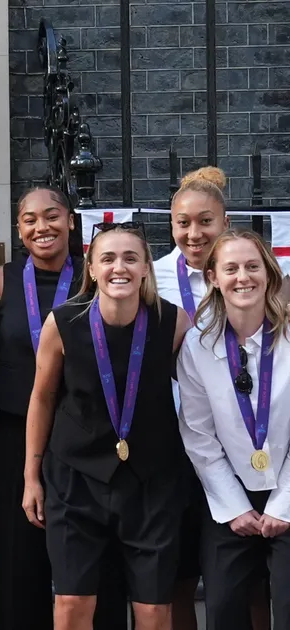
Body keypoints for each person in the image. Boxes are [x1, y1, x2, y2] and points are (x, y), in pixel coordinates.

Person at [24, 222, 191, 630]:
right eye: (109, 258)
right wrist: (31, 476)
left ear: (146, 268)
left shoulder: (174, 323)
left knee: (154, 608)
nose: (120, 267)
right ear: (93, 269)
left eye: (131, 258)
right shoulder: (62, 322)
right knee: (72, 604)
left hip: (152, 480)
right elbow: (42, 397)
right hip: (75, 477)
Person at [0, 186, 128, 630]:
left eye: (51, 216)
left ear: (71, 221)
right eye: (29, 219)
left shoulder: (98, 279)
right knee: (16, 558)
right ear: (19, 229)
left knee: (94, 560)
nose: (41, 227)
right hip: (15, 433)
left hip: (85, 431)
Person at [154, 166, 272, 630]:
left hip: (246, 442)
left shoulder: (245, 274)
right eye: (183, 223)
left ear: (225, 222)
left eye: (205, 221)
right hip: (177, 445)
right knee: (181, 571)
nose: (194, 232)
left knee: (251, 576)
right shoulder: (153, 274)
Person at [177, 230, 290, 629]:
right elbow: (198, 435)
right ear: (213, 278)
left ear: (269, 274)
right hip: (230, 500)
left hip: (289, 493)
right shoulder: (197, 347)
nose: (243, 277)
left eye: (252, 266)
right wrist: (236, 506)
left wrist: (282, 506)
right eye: (231, 268)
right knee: (224, 608)